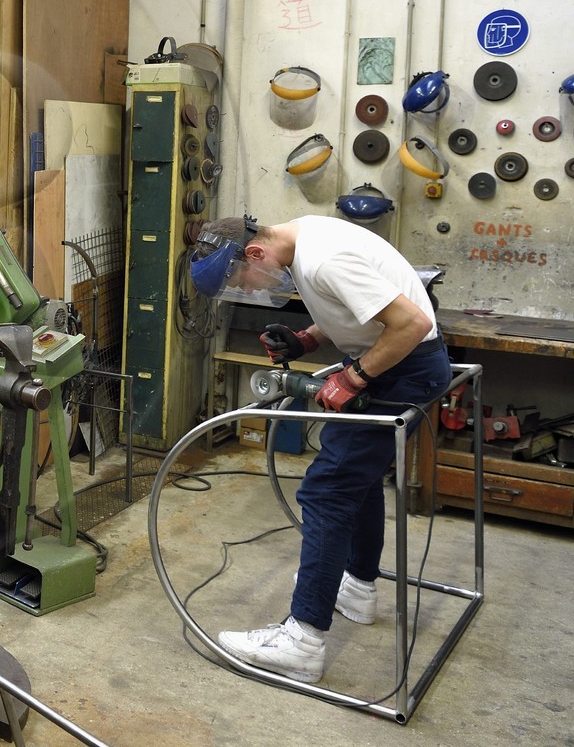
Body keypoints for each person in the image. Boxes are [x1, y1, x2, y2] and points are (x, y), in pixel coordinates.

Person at [189, 214, 450, 684]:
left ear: (253, 254)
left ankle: (302, 642)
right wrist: (308, 337)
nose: (248, 291)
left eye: (241, 282)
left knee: (326, 492)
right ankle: (358, 587)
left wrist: (352, 377)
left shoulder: (323, 258)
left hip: (404, 370)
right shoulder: (307, 240)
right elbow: (356, 306)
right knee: (358, 481)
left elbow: (411, 323)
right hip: (400, 365)